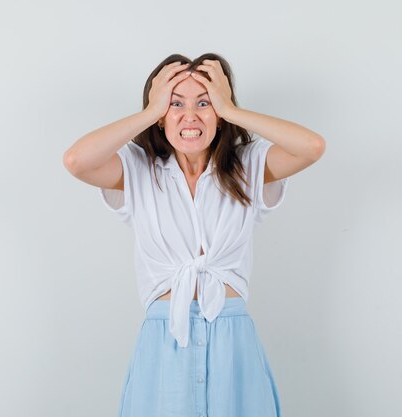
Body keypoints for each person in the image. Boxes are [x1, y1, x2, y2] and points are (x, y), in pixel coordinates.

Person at [63, 52, 325, 417]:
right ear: (159, 116)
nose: (190, 115)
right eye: (175, 104)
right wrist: (149, 111)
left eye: (204, 102)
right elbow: (77, 161)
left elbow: (312, 147)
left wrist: (230, 109)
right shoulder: (137, 170)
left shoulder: (247, 164)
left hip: (233, 341)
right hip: (164, 339)